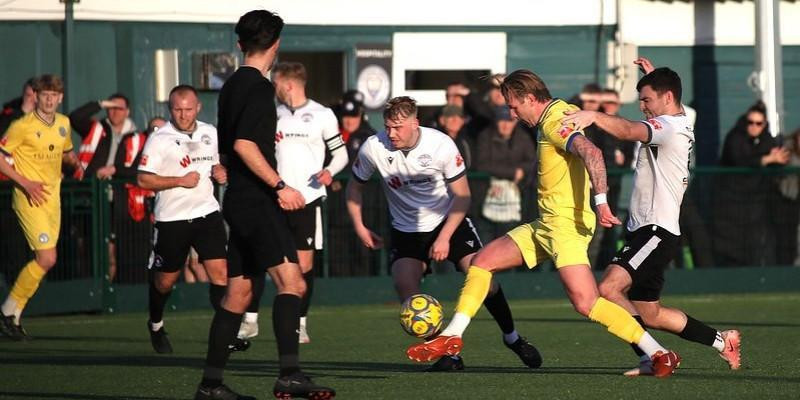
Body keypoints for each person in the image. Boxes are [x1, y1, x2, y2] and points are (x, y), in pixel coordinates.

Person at [407, 69, 682, 378]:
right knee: (482, 262)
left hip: (564, 227)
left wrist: (602, 201)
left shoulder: (553, 122)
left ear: (529, 98)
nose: (512, 114)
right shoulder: (557, 111)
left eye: (514, 106)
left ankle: (658, 352)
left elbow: (591, 152)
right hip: (546, 224)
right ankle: (452, 335)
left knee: (587, 303)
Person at [561, 59, 742, 377]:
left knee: (609, 289)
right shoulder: (679, 120)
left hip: (655, 231)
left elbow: (628, 130)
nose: (642, 106)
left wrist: (593, 115)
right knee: (650, 313)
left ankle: (654, 356)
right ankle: (721, 341)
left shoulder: (667, 127)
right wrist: (654, 77)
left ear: (667, 97)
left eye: (646, 100)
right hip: (651, 231)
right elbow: (666, 103)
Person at [194, 10, 334, 400]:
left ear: (240, 44)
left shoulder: (230, 85)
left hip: (238, 200)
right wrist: (280, 185)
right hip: (257, 202)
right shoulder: (258, 87)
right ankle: (290, 374)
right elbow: (243, 144)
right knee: (293, 283)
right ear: (276, 45)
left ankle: (210, 385)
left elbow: (229, 145)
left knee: (238, 295)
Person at [347, 96, 541, 372]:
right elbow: (354, 187)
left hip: (449, 221)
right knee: (405, 288)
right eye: (388, 126)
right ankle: (447, 354)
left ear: (415, 123)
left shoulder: (440, 144)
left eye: (398, 127)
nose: (391, 133)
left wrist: (444, 237)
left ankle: (512, 338)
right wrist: (359, 226)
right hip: (407, 231)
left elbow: (462, 196)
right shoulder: (373, 147)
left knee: (483, 276)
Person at [238, 61, 348, 345]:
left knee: (304, 265)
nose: (273, 88)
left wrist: (329, 171)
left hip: (306, 200)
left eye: (275, 83)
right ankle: (250, 319)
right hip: (273, 198)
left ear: (287, 85)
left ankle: (300, 324)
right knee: (260, 257)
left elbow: (341, 154)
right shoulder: (272, 114)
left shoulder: (322, 114)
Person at [137, 85, 229, 354]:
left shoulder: (210, 132)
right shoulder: (159, 139)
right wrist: (179, 180)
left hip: (207, 214)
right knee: (165, 282)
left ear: (198, 107)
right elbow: (143, 179)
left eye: (188, 109)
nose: (183, 114)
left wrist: (220, 171)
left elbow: (216, 164)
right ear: (170, 109)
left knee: (221, 274)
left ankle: (226, 333)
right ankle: (156, 324)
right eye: (178, 109)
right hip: (172, 219)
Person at [0, 74, 82, 340]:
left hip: (52, 201)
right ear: (35, 96)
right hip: (29, 198)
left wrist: (75, 163)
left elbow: (65, 152)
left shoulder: (63, 123)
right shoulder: (21, 126)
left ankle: (12, 316)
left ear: (60, 98)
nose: (49, 100)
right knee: (47, 258)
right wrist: (25, 183)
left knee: (45, 261)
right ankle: (7, 311)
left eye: (53, 95)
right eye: (44, 95)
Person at [69, 92, 150, 282]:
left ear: (127, 111)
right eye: (111, 108)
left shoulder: (138, 138)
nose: (115, 112)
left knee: (114, 249)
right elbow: (75, 117)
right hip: (91, 197)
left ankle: (110, 287)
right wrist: (100, 103)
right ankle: (92, 286)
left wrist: (114, 170)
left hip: (121, 200)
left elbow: (140, 169)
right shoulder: (96, 129)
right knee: (88, 247)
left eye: (119, 108)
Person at [713, 101, 789, 267]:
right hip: (731, 202)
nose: (754, 127)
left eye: (758, 123)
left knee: (755, 245)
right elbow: (740, 160)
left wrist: (776, 159)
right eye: (751, 122)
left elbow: (778, 161)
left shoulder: (766, 140)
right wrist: (766, 159)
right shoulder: (735, 137)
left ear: (764, 125)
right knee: (731, 246)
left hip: (755, 204)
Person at [474, 105, 536, 241]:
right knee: (485, 242)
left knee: (509, 240)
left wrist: (521, 170)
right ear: (496, 121)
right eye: (502, 121)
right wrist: (513, 172)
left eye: (510, 121)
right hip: (486, 197)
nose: (506, 125)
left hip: (515, 200)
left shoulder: (523, 137)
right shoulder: (485, 136)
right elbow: (481, 164)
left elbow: (532, 162)